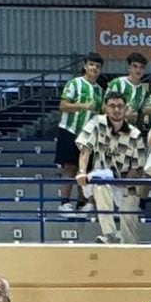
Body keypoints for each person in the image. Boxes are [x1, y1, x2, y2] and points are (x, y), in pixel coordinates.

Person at [75, 93, 147, 245]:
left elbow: (137, 166)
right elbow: (85, 150)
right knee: (100, 187)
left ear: (126, 109)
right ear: (105, 108)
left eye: (120, 106)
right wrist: (82, 171)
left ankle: (130, 250)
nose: (116, 110)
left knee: (129, 220)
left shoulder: (135, 134)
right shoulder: (96, 123)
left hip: (127, 181)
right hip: (104, 178)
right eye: (112, 106)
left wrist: (124, 182)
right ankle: (110, 235)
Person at [57, 53, 104, 211]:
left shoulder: (99, 90)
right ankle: (64, 202)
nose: (94, 68)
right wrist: (82, 106)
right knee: (69, 167)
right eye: (91, 65)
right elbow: (63, 105)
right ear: (85, 66)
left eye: (97, 66)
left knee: (84, 170)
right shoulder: (74, 83)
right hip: (70, 131)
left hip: (89, 135)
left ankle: (81, 203)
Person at [104, 52, 151, 127]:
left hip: (131, 131)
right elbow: (104, 107)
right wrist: (123, 114)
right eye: (135, 66)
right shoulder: (117, 83)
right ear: (129, 68)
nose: (138, 70)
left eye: (141, 67)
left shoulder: (144, 91)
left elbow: (141, 114)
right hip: (112, 128)